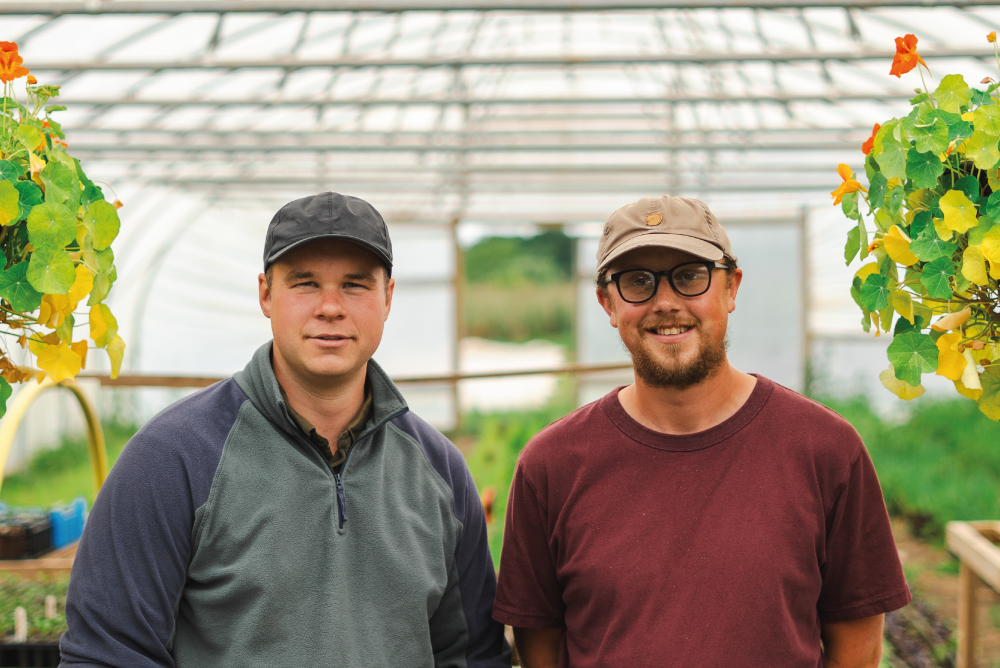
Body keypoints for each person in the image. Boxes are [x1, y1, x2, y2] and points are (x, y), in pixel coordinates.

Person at [60, 192, 510, 668]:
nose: (331, 307)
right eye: (305, 284)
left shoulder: (439, 471)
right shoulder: (172, 460)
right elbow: (108, 655)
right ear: (266, 295)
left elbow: (474, 655)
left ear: (388, 298)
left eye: (355, 285)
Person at [492, 195, 910, 668]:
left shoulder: (825, 450)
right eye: (638, 282)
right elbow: (538, 645)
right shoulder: (552, 465)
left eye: (690, 275)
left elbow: (856, 645)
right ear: (608, 303)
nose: (666, 303)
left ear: (731, 287)